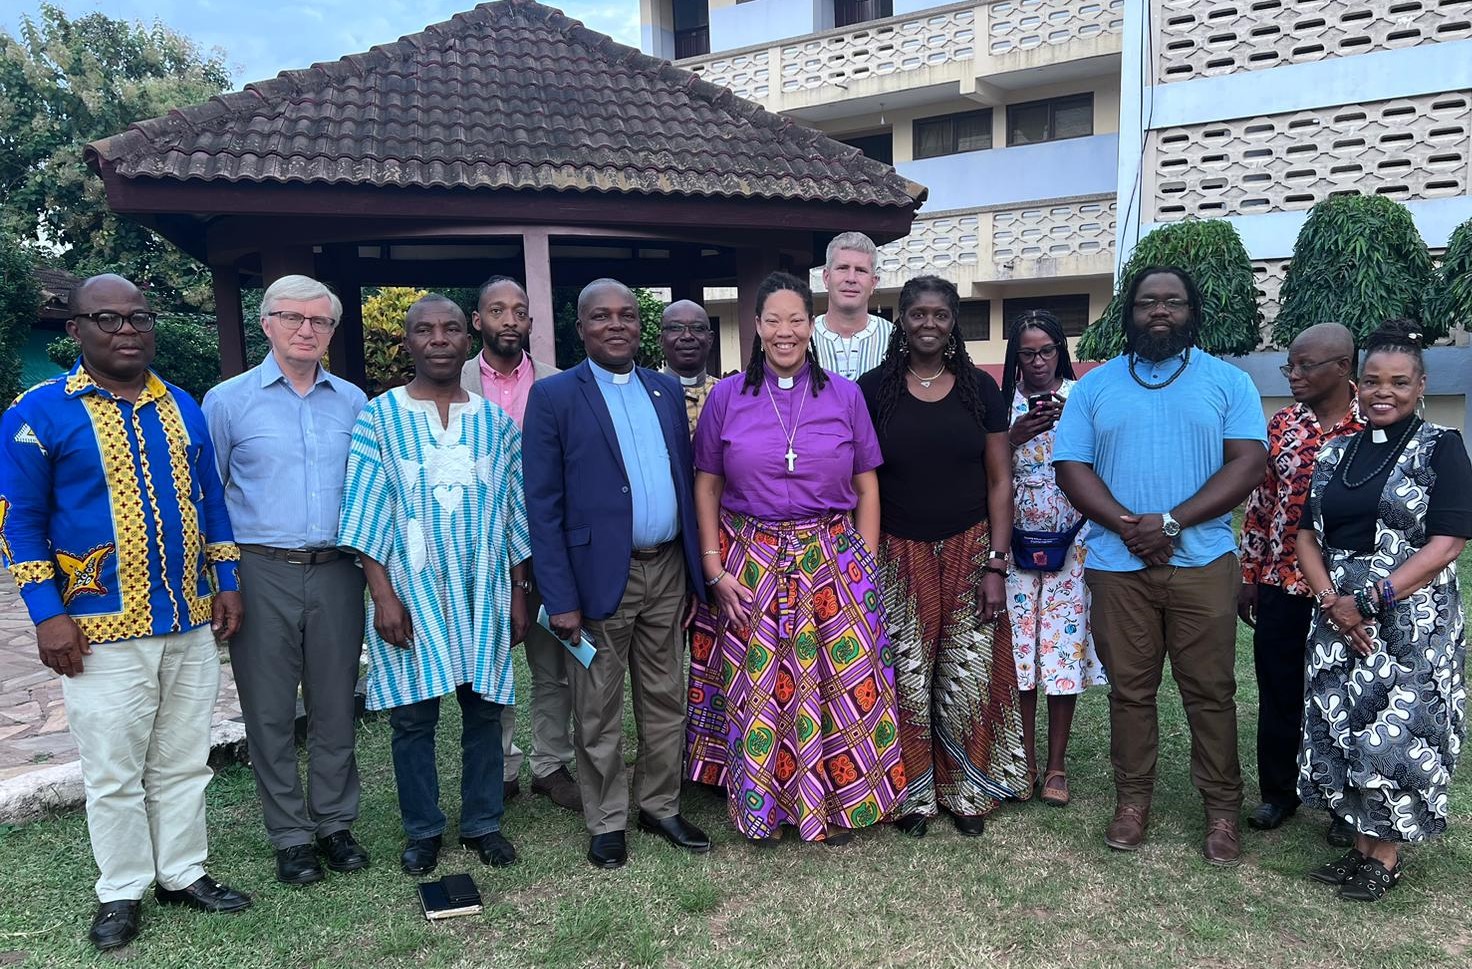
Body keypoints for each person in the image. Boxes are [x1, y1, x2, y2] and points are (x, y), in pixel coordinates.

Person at [0, 274, 250, 951]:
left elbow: (211, 500)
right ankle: (121, 890)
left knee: (182, 759)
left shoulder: (182, 406)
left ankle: (183, 872)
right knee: (113, 769)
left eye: (139, 315)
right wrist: (47, 612)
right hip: (96, 628)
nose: (127, 329)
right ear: (75, 329)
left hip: (186, 618)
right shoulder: (37, 412)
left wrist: (225, 578)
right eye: (106, 318)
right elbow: (18, 521)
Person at [1054, 266, 1266, 867]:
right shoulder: (1095, 388)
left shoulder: (1228, 382)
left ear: (1191, 312)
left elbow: (1247, 464)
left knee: (1211, 691)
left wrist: (1170, 522)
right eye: (1148, 302)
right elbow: (1072, 466)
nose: (1160, 312)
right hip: (1119, 567)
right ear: (1130, 312)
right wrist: (1129, 525)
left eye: (1173, 302)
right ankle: (1132, 803)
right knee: (1130, 691)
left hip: (1202, 564)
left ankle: (1223, 811)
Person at [687, 270, 904, 844]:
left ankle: (836, 802)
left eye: (796, 320)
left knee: (837, 681)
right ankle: (765, 805)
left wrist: (866, 562)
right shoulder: (726, 398)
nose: (785, 332)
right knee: (761, 685)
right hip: (749, 560)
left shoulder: (845, 395)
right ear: (756, 328)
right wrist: (714, 569)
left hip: (832, 556)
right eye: (773, 321)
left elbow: (868, 487)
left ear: (812, 328)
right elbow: (706, 487)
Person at [338, 294, 532, 876]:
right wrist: (383, 597)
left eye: (451, 329)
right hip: (412, 590)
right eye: (426, 330)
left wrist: (521, 591)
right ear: (409, 342)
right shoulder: (380, 416)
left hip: (484, 586)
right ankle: (423, 829)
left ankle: (482, 823)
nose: (440, 339)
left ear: (468, 340)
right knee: (414, 718)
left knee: (483, 708)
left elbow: (513, 508)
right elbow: (367, 509)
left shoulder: (495, 423)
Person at [523, 278, 711, 869]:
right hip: (596, 580)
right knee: (598, 708)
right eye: (601, 316)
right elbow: (543, 506)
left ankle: (659, 806)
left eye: (627, 315)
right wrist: (560, 597)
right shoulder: (554, 397)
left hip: (667, 571)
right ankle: (606, 819)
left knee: (665, 699)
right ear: (581, 328)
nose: (616, 325)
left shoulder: (661, 389)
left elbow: (684, 481)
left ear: (640, 325)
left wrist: (692, 576)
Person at [203, 275, 370, 887]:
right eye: (292, 317)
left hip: (336, 571)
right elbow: (209, 498)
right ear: (266, 323)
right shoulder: (226, 402)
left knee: (335, 704)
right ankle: (290, 835)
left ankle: (334, 823)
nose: (307, 329)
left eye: (320, 321)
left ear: (332, 331)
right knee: (269, 711)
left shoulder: (355, 403)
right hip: (259, 569)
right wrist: (222, 580)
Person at [1296, 321, 1471, 902]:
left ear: (1421, 385)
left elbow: (1446, 542)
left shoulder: (1441, 446)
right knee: (1341, 723)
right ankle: (1357, 845)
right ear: (1356, 385)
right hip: (1336, 614)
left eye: (1398, 381)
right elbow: (1305, 536)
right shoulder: (1337, 450)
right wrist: (1332, 602)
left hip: (1408, 617)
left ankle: (1386, 856)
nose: (1382, 392)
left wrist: (1369, 600)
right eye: (1371, 381)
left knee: (1394, 730)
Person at [856, 276, 1022, 838]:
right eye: (918, 314)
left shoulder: (980, 388)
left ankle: (970, 789)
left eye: (941, 315)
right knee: (905, 674)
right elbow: (860, 479)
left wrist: (998, 563)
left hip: (973, 546)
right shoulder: (873, 388)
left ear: (955, 323)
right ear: (900, 319)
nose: (929, 324)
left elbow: (1001, 481)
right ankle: (913, 796)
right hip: (897, 550)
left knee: (969, 675)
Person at [1236, 323, 1361, 843]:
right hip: (1281, 582)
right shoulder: (1284, 423)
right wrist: (1249, 574)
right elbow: (1262, 503)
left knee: (1345, 696)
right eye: (1291, 364)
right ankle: (1278, 794)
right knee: (1279, 689)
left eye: (1307, 365)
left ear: (1343, 368)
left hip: (1347, 589)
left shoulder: (1376, 424)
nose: (1295, 374)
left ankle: (1343, 804)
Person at [460, 275, 580, 814]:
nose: (510, 319)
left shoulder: (561, 384)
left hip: (548, 544)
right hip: (482, 549)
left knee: (551, 663)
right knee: (492, 661)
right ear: (477, 320)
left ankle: (550, 764)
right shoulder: (452, 381)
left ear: (531, 322)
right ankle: (501, 764)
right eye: (497, 310)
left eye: (520, 311)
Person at [1001, 309, 1105, 809]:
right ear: (1014, 356)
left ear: (1060, 351)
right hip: (1015, 542)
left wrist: (1072, 428)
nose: (1038, 362)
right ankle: (1022, 759)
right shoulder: (1000, 403)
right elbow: (983, 469)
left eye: (1047, 351)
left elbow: (1102, 460)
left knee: (1063, 652)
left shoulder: (1082, 398)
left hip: (1074, 542)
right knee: (1020, 653)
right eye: (1027, 353)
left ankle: (1057, 765)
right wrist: (1013, 437)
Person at [811, 232, 893, 381]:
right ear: (826, 277)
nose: (851, 279)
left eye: (860, 270)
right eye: (842, 268)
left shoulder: (894, 338)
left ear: (873, 282)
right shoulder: (803, 338)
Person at [659, 299, 716, 435]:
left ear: (710, 339)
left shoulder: (727, 395)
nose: (687, 336)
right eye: (676, 328)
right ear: (660, 340)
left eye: (697, 328)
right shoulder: (647, 394)